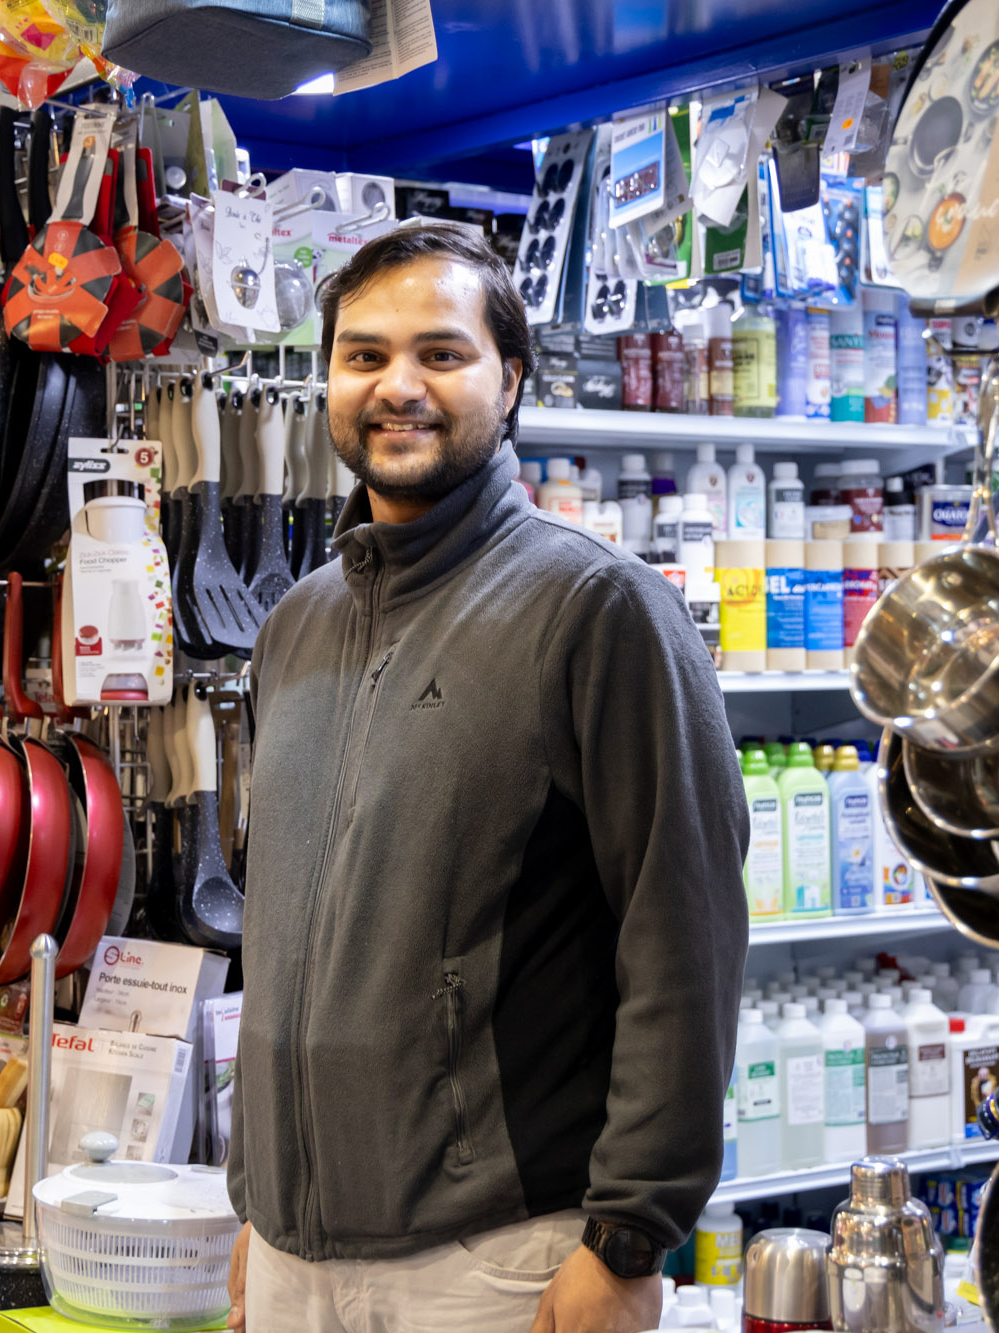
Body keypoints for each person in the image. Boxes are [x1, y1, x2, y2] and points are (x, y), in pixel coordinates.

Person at [224, 221, 751, 1333]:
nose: (396, 386)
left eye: (440, 354)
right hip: (287, 1255)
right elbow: (278, 940)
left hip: (496, 1260)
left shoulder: (596, 610)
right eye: (363, 356)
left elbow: (681, 935)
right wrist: (255, 1206)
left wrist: (627, 1238)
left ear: (508, 379)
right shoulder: (291, 629)